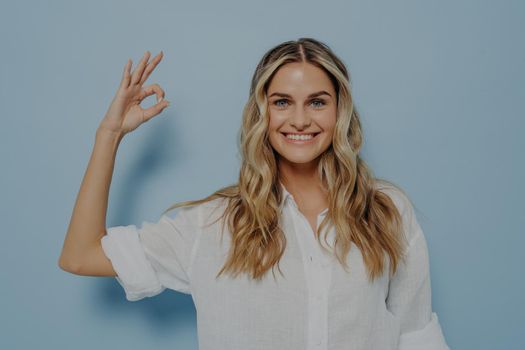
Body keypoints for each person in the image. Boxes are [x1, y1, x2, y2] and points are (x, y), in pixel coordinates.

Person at [59, 37, 450, 350]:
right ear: (262, 113)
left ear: (339, 112)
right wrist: (108, 136)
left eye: (317, 102)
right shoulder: (211, 225)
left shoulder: (387, 212)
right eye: (282, 102)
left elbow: (417, 337)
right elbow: (80, 256)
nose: (300, 119)